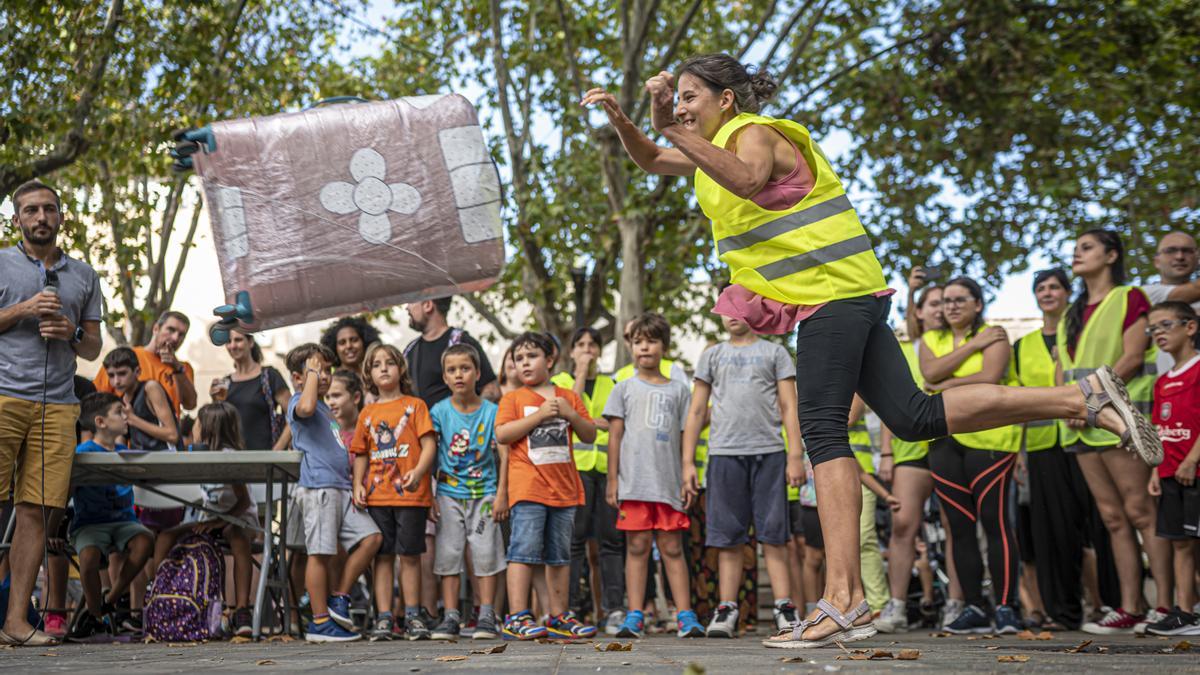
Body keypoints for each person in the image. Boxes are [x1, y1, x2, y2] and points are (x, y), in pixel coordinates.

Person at [584, 53, 1159, 648]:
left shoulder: (754, 133)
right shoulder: (706, 155)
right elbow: (653, 158)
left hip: (833, 295)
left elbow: (750, 179)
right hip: (842, 295)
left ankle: (844, 599)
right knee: (916, 416)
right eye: (676, 98)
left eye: (689, 96)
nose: (680, 107)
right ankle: (1080, 395)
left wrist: (670, 126)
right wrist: (633, 121)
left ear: (726, 99)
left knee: (823, 431)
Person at [0, 180, 104, 646]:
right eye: (31, 210)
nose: (40, 217)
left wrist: (70, 332)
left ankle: (17, 622)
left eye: (49, 209)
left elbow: (95, 347)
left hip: (59, 406)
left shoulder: (84, 275)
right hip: (3, 397)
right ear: (17, 219)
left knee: (38, 512)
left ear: (62, 216)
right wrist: (22, 308)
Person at [1055, 230, 1171, 635]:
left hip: (1120, 419)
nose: (1077, 254)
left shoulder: (1129, 297)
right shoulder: (1072, 311)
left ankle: (1167, 606)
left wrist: (1084, 399)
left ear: (1111, 255)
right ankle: (1130, 607)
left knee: (1140, 511)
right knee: (1112, 518)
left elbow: (1134, 357)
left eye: (1086, 247)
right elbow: (1064, 371)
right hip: (1080, 427)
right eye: (1075, 249)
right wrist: (1065, 404)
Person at [681, 313, 804, 638]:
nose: (733, 315)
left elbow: (790, 406)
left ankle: (784, 607)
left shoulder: (775, 352)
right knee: (727, 537)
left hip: (769, 455)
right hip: (724, 455)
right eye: (725, 308)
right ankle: (727, 609)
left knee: (775, 534)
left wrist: (795, 455)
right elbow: (696, 411)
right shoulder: (712, 355)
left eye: (741, 306)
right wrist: (687, 462)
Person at [920, 277, 1023, 634]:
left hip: (992, 439)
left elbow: (990, 376)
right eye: (946, 300)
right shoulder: (931, 338)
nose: (951, 306)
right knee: (959, 530)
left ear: (978, 304)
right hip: (945, 440)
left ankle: (1008, 606)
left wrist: (944, 385)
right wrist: (971, 349)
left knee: (995, 525)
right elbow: (928, 371)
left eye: (960, 299)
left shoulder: (995, 333)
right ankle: (975, 608)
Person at [602, 313, 706, 639]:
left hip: (669, 483)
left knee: (673, 548)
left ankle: (685, 615)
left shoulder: (680, 390)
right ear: (631, 346)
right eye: (638, 342)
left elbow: (685, 436)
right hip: (634, 483)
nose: (644, 347)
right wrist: (612, 480)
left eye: (651, 341)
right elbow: (615, 437)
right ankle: (635, 614)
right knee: (637, 547)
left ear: (664, 346)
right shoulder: (624, 388)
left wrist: (688, 473)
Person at [495, 332, 598, 640]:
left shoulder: (568, 396)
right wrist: (539, 415)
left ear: (550, 360)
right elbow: (502, 434)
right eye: (519, 359)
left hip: (565, 490)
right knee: (523, 551)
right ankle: (517, 616)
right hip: (528, 489)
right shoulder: (513, 398)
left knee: (559, 555)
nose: (524, 363)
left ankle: (558, 615)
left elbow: (590, 434)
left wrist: (570, 415)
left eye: (532, 356)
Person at [1010, 268, 1094, 631]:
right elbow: (1014, 404)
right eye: (1041, 288)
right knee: (1051, 533)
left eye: (1054, 286)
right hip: (1043, 447)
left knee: (1097, 528)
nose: (1047, 293)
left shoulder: (1082, 334)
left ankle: (1112, 606)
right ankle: (1062, 612)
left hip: (1089, 440)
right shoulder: (1022, 346)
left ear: (1066, 292)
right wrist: (1017, 454)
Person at [286, 343, 382, 643]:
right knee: (320, 553)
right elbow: (305, 408)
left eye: (327, 370)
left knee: (372, 537)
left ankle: (339, 597)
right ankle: (319, 622)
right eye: (318, 370)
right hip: (319, 488)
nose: (325, 375)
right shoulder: (299, 400)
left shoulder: (325, 409)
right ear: (298, 378)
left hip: (340, 489)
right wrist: (310, 375)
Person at [876, 281, 954, 633]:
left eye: (943, 303)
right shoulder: (903, 349)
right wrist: (887, 451)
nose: (938, 309)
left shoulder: (958, 345)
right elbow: (887, 404)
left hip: (952, 445)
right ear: (918, 311)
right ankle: (895, 605)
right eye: (931, 303)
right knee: (903, 525)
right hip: (910, 451)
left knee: (956, 527)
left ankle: (957, 602)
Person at [351, 343, 437, 641]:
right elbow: (361, 453)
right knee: (383, 557)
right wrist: (357, 484)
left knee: (410, 556)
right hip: (377, 497)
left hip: (411, 496)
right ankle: (384, 618)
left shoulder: (416, 406)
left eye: (390, 362)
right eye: (376, 364)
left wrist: (420, 471)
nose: (384, 368)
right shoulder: (367, 414)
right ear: (369, 374)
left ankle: (412, 615)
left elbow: (429, 445)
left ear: (401, 368)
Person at [154, 402, 258, 637]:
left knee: (238, 536)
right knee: (167, 535)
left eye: (198, 422)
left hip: (240, 519)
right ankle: (157, 591)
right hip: (210, 521)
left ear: (210, 428)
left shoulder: (229, 458)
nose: (193, 427)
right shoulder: (198, 454)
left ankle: (242, 609)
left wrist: (220, 523)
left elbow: (243, 502)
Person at [428, 343, 507, 640]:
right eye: (451, 370)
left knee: (486, 553)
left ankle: (487, 614)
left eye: (464, 368)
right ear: (445, 378)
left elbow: (505, 454)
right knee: (449, 553)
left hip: (485, 494)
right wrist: (428, 494)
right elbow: (428, 453)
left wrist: (503, 493)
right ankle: (450, 617)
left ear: (477, 373)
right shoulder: (439, 412)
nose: (458, 375)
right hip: (448, 494)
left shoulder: (492, 412)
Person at [550, 327, 624, 630]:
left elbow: (618, 424)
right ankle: (571, 610)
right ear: (570, 352)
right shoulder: (560, 382)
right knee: (574, 542)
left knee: (610, 541)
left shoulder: (613, 383)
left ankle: (614, 609)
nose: (587, 349)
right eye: (580, 345)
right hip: (573, 470)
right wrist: (579, 374)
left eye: (592, 344)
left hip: (606, 471)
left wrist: (585, 420)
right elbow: (569, 411)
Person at [65, 393, 155, 642]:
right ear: (101, 422)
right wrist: (53, 529)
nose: (126, 416)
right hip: (90, 524)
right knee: (89, 556)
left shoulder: (124, 451)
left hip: (123, 522)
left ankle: (111, 599)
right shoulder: (83, 452)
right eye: (119, 411)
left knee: (145, 540)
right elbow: (66, 492)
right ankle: (95, 615)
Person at [1145, 301, 1200, 636]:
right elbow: (1158, 430)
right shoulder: (1163, 381)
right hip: (1169, 474)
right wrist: (1156, 469)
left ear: (1190, 327)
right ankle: (1184, 612)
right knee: (1179, 542)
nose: (1158, 334)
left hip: (1194, 471)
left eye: (1165, 325)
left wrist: (1192, 459)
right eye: (1153, 330)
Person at [94, 311, 196, 415]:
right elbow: (97, 401)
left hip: (169, 430)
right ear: (156, 328)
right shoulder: (125, 357)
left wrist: (177, 368)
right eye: (171, 330)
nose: (175, 338)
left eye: (181, 335)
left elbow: (190, 405)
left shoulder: (183, 368)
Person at [404, 297, 499, 406]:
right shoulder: (410, 350)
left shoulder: (462, 342)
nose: (407, 307)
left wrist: (471, 418)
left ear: (427, 305)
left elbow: (492, 390)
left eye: (411, 301)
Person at [209, 328, 292, 451]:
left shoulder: (269, 375)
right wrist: (215, 403)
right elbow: (217, 423)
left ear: (251, 342)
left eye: (238, 340)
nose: (233, 346)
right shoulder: (225, 382)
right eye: (228, 342)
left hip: (264, 458)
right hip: (231, 458)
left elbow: (293, 415)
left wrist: (277, 451)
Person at [1142, 232, 1200, 372]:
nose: (1179, 256)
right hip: (1166, 384)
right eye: (1171, 251)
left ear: (1197, 258)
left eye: (1187, 251)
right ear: (1156, 261)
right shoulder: (1145, 294)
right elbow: (1188, 292)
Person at [102, 347, 180, 451]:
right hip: (139, 464)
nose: (116, 381)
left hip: (166, 460)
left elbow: (172, 435)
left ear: (137, 371)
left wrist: (133, 419)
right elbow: (120, 446)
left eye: (122, 373)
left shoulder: (150, 388)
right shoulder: (121, 401)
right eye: (111, 375)